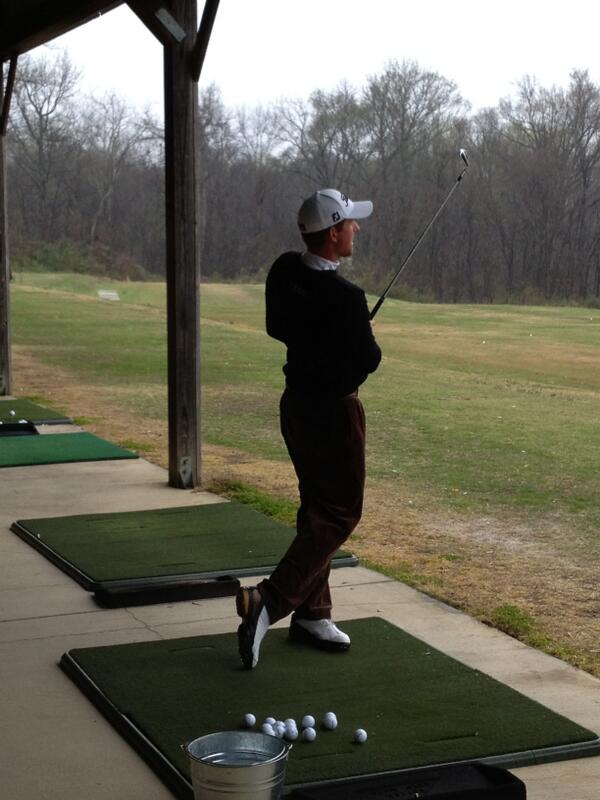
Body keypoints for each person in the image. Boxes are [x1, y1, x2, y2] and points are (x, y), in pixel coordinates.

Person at [236, 188, 382, 669]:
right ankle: (270, 601)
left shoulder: (283, 272)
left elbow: (279, 326)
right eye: (351, 224)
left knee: (316, 508)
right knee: (341, 513)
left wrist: (332, 338)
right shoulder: (347, 298)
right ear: (334, 231)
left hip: (296, 407)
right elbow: (369, 362)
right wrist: (355, 334)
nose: (356, 229)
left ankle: (312, 611)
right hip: (334, 415)